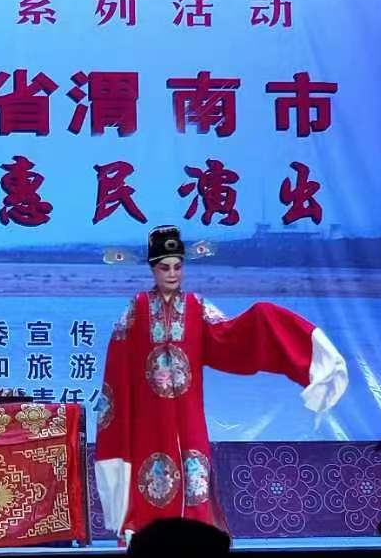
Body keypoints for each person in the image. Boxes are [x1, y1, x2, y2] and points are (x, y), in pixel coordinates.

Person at [95, 225, 348, 540]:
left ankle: (196, 539)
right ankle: (149, 538)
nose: (172, 274)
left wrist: (263, 318)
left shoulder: (197, 307)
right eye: (164, 268)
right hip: (150, 415)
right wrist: (122, 411)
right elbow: (118, 363)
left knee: (194, 473)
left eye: (177, 267)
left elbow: (229, 337)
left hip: (188, 413)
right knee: (153, 477)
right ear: (153, 270)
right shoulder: (138, 308)